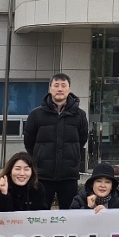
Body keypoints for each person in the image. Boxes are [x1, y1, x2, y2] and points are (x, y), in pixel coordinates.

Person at [24, 72, 89, 209]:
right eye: (56, 85)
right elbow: (29, 142)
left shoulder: (80, 115)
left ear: (69, 89)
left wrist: (71, 154)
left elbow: (82, 139)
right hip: (43, 174)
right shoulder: (36, 114)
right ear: (50, 88)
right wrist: (39, 157)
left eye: (63, 85)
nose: (60, 89)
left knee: (69, 212)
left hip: (69, 175)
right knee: (40, 212)